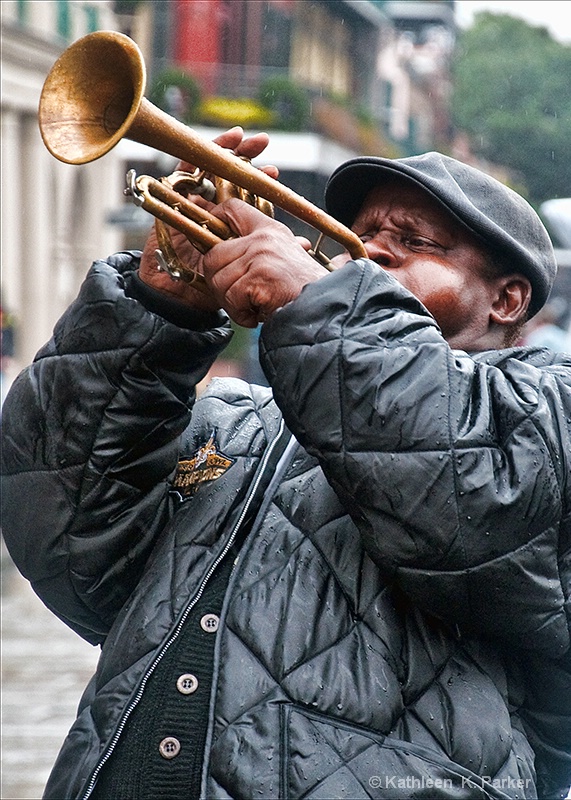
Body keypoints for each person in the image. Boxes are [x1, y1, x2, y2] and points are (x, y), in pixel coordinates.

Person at [1, 127, 570, 800]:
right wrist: (158, 309)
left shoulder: (544, 411)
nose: (372, 248)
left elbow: (452, 486)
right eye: (362, 231)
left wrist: (313, 302)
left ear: (505, 299)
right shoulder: (234, 419)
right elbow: (69, 549)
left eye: (414, 241)